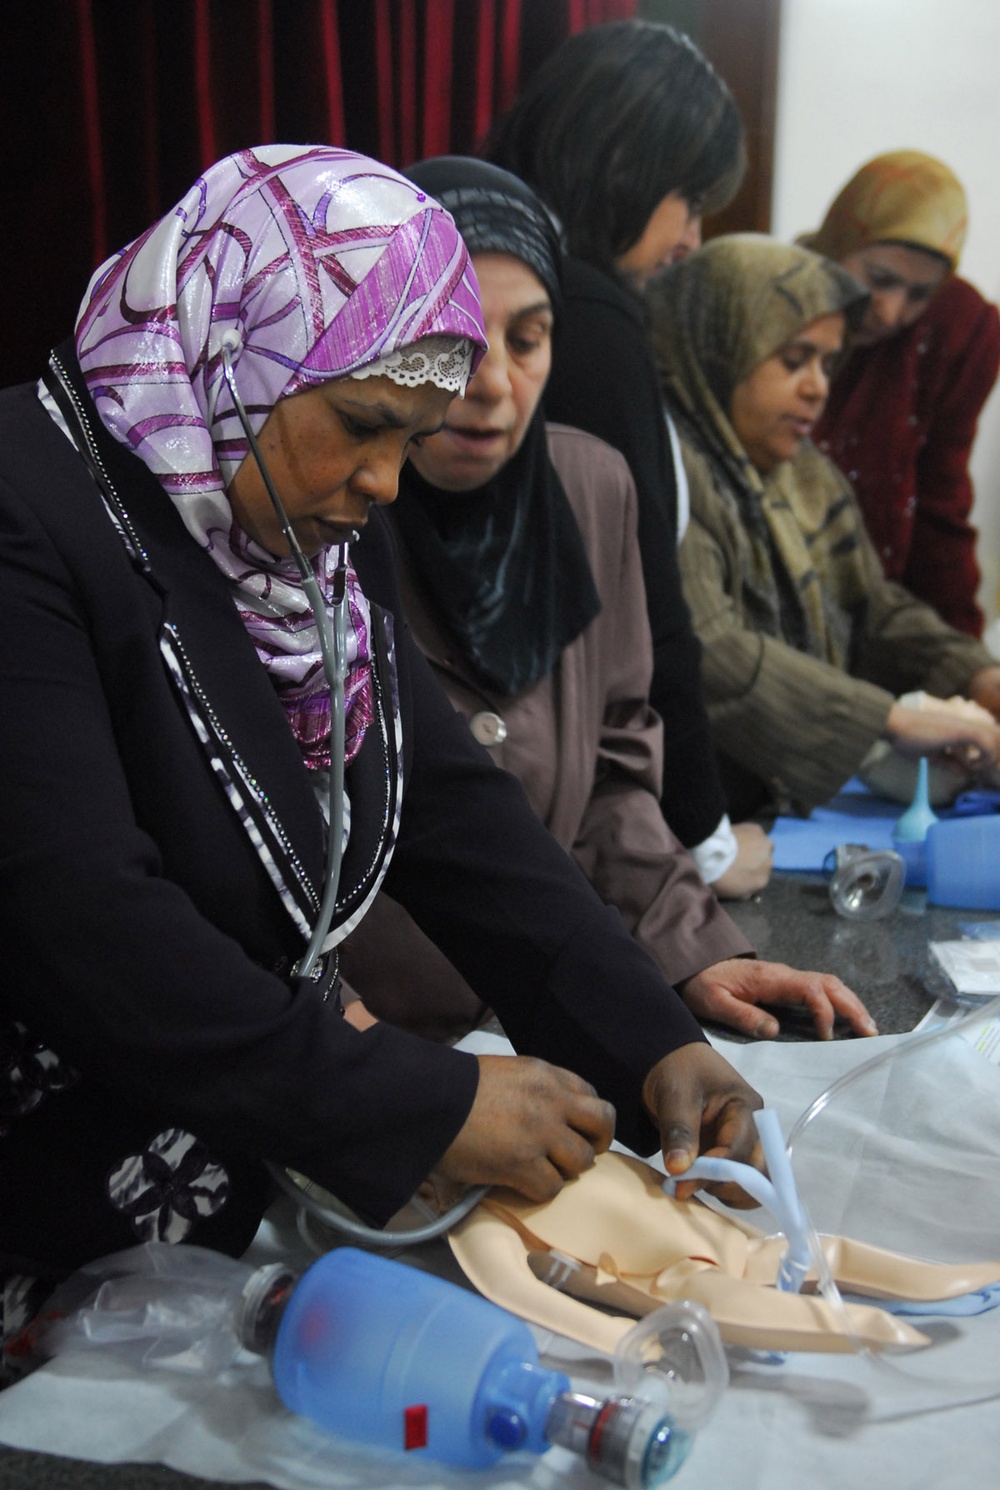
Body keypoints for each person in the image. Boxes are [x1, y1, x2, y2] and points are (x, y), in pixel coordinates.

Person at [0, 146, 765, 1306]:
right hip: (43, 1186)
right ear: (229, 349)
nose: (385, 482)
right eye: (362, 423)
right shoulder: (29, 510)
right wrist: (421, 1097)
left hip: (216, 1167)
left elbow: (450, 809)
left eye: (408, 437)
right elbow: (86, 919)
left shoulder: (289, 532)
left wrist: (651, 1037)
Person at [340, 157, 875, 1046]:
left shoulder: (590, 488)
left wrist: (691, 950)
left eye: (528, 338)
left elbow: (613, 774)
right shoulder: (329, 503)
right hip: (366, 1038)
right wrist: (357, 1057)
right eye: (451, 337)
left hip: (539, 1019)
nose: (492, 385)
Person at [484, 19, 771, 898]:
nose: (691, 238)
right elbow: (649, 606)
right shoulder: (588, 318)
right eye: (688, 198)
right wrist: (706, 844)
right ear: (625, 164)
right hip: (564, 801)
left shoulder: (508, 265)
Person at [646, 234, 1000, 820]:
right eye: (793, 360)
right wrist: (888, 721)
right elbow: (712, 650)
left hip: (775, 809)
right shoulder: (669, 471)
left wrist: (976, 674)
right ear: (721, 348)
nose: (817, 387)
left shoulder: (805, 474)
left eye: (827, 363)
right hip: (690, 818)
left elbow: (869, 609)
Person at [804, 150, 1000, 637]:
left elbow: (938, 500)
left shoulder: (954, 332)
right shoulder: (773, 297)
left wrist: (964, 656)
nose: (891, 313)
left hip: (880, 613)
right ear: (839, 244)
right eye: (879, 280)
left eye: (919, 294)